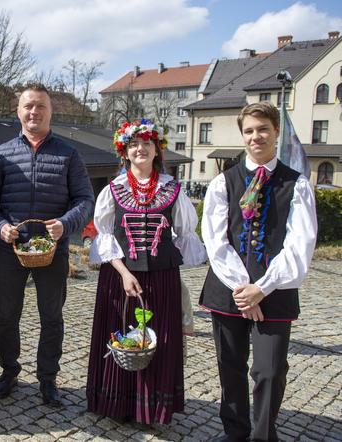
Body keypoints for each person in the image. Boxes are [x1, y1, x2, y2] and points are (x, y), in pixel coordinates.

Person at [200, 102, 317, 441]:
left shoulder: (296, 185)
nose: (256, 136)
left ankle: (264, 435)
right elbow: (215, 240)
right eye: (249, 131)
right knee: (230, 368)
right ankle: (234, 433)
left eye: (263, 129)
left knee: (270, 371)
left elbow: (300, 246)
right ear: (242, 135)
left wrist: (261, 288)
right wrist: (243, 288)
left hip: (275, 293)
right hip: (228, 290)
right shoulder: (223, 182)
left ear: (276, 131)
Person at [0, 83, 94, 406]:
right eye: (28, 106)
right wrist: (0, 226)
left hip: (52, 250)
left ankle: (48, 379)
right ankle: (9, 371)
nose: (34, 112)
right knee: (6, 315)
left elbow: (85, 199)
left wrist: (66, 225)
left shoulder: (68, 154)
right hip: (10, 248)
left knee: (52, 317)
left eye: (40, 106)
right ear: (18, 111)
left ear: (50, 112)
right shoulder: (1, 154)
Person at [85, 119, 206, 423]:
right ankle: (117, 405)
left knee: (158, 340)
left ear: (156, 150)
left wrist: (163, 255)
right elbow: (105, 237)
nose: (140, 148)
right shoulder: (113, 190)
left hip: (161, 277)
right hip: (119, 276)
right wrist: (124, 272)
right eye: (133, 144)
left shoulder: (173, 190)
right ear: (124, 152)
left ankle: (153, 408)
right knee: (121, 335)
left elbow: (184, 233)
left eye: (146, 143)